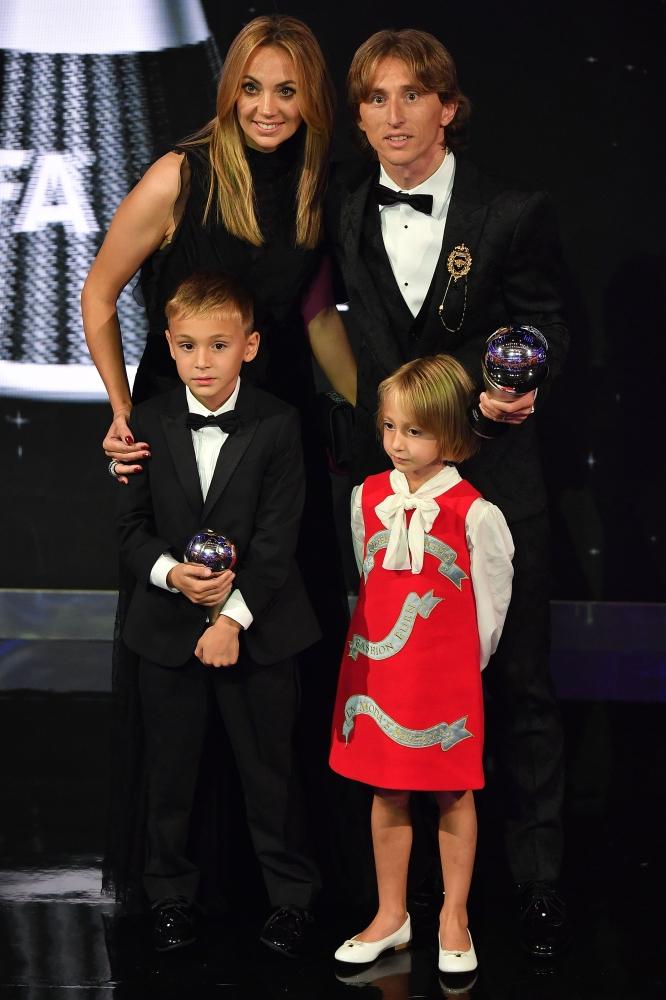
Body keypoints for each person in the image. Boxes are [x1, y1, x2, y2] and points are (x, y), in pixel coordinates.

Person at [81, 14, 354, 905]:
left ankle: (278, 880)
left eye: (286, 89)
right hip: (176, 444)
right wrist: (125, 414)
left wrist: (379, 410)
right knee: (174, 662)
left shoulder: (319, 180)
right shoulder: (180, 173)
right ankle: (177, 880)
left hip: (280, 440)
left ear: (309, 96)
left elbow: (315, 321)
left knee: (274, 652)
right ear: (228, 88)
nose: (268, 107)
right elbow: (99, 289)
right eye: (251, 87)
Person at [326, 28, 570, 958]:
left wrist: (523, 378)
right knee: (399, 686)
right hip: (391, 490)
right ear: (360, 116)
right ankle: (401, 904)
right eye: (375, 100)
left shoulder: (510, 211)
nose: (393, 116)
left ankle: (538, 885)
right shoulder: (348, 210)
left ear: (447, 107)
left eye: (410, 97)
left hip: (494, 486)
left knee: (518, 681)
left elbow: (547, 327)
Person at [115, 270, 322, 955]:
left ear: (251, 346)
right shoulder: (143, 422)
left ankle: (290, 902)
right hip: (167, 628)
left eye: (219, 345)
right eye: (188, 346)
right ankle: (170, 897)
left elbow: (276, 540)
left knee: (272, 776)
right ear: (169, 349)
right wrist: (171, 573)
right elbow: (130, 527)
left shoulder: (279, 424)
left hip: (259, 630)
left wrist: (231, 619)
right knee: (170, 776)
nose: (202, 361)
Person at [329, 355, 513, 974]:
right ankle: (391, 914)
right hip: (382, 675)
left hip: (445, 681)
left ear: (451, 433)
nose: (397, 445)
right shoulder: (367, 497)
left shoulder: (475, 513)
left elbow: (491, 609)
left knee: (452, 794)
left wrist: (458, 671)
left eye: (414, 431)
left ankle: (453, 916)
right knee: (388, 791)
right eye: (389, 428)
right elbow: (368, 580)